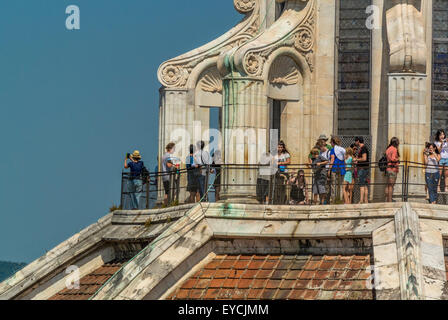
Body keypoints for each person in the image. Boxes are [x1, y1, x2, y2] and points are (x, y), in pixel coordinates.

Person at [329, 136, 346, 204]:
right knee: (341, 184)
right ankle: (340, 199)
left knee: (334, 184)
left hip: (335, 168)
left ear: (333, 142)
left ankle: (334, 199)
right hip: (341, 168)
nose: (330, 143)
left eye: (331, 142)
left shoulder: (333, 150)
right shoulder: (342, 149)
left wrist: (329, 169)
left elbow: (332, 160)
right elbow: (344, 159)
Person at [354, 137, 370, 204]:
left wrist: (356, 160)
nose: (355, 143)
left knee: (361, 184)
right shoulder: (363, 148)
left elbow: (364, 158)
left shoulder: (363, 148)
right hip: (364, 168)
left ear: (358, 141)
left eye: (355, 141)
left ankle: (361, 200)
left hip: (362, 169)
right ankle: (366, 201)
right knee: (365, 185)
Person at [385, 137, 400, 202]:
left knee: (388, 185)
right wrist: (398, 160)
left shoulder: (388, 149)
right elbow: (393, 159)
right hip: (393, 169)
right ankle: (390, 200)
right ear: (396, 142)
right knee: (391, 186)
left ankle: (387, 199)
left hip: (388, 168)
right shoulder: (394, 149)